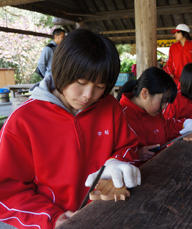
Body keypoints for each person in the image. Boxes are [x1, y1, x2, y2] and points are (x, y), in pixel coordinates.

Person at [0, 29, 144, 229]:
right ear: (61, 70)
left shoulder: (109, 106)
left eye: (100, 86)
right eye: (81, 83)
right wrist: (52, 218)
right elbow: (7, 193)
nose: (88, 95)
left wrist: (117, 163)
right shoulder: (23, 121)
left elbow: (128, 147)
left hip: (109, 214)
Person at [118, 67, 192, 161]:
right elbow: (113, 156)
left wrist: (184, 124)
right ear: (144, 93)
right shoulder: (121, 116)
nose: (165, 106)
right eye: (163, 101)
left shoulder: (153, 110)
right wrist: (137, 154)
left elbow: (164, 127)